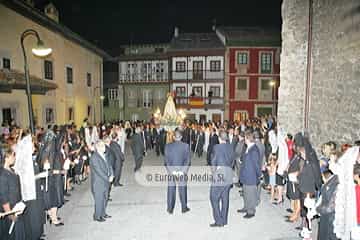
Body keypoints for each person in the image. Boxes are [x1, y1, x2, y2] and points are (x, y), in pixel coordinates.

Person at [209, 130, 234, 227]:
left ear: (219, 138)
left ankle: (219, 221)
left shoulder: (217, 147)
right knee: (225, 198)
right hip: (228, 175)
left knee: (213, 197)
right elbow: (232, 161)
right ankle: (224, 220)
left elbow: (213, 162)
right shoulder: (231, 146)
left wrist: (214, 172)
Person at [0, 148, 26, 240]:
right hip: (11, 211)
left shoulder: (11, 170)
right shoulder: (3, 175)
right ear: (6, 157)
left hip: (17, 208)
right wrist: (10, 214)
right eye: (13, 155)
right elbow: (4, 197)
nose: (15, 157)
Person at [164, 130, 191, 214]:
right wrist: (183, 171)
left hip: (171, 171)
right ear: (181, 137)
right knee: (182, 189)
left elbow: (166, 161)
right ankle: (184, 207)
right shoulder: (186, 146)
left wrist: (171, 171)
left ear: (173, 137)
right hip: (182, 171)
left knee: (171, 189)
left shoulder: (167, 146)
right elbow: (187, 161)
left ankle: (170, 208)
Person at [307, 170, 339, 240]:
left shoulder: (337, 183)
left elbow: (331, 207)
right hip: (325, 215)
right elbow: (322, 197)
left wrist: (317, 210)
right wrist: (314, 207)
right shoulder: (332, 179)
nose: (329, 162)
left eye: (332, 160)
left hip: (331, 217)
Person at [238, 129, 261, 218]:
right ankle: (246, 207)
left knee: (250, 194)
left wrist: (259, 175)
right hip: (245, 175)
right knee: (246, 193)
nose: (244, 140)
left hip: (251, 176)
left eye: (245, 139)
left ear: (247, 139)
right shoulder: (249, 147)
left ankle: (251, 211)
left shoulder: (254, 150)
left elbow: (256, 165)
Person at [90, 141, 113, 222]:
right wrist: (108, 178)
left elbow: (109, 165)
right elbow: (98, 171)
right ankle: (97, 216)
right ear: (98, 147)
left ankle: (103, 213)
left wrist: (111, 174)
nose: (104, 147)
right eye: (102, 146)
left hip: (106, 180)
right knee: (99, 199)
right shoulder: (94, 157)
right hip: (98, 183)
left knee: (105, 198)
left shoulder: (104, 155)